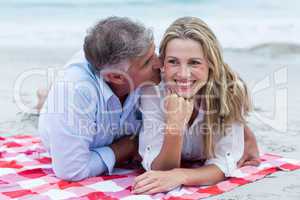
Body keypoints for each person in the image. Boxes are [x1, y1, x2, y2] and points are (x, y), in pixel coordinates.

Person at [38, 16, 259, 182]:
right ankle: (44, 100)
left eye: (156, 54)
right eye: (148, 62)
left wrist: (242, 127)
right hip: (80, 121)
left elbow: (204, 65)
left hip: (115, 123)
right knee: (50, 105)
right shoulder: (77, 90)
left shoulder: (150, 72)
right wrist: (131, 145)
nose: (159, 64)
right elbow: (71, 170)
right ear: (117, 77)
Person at [133, 16, 259, 194]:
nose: (183, 74)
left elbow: (223, 164)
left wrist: (181, 175)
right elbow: (158, 171)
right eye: (173, 61)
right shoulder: (152, 93)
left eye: (194, 62)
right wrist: (174, 126)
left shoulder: (230, 92)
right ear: (162, 64)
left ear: (211, 64)